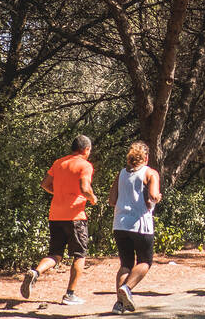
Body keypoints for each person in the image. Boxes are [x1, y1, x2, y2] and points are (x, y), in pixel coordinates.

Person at [20, 135, 97, 305]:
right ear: (86, 149)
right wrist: (92, 198)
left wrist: (60, 194)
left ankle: (36, 272)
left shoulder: (59, 163)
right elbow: (85, 188)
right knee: (79, 255)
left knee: (55, 254)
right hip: (75, 217)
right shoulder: (85, 165)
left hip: (55, 215)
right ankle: (70, 294)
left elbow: (45, 184)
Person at [108, 141, 162, 314]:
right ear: (146, 157)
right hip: (140, 223)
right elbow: (153, 196)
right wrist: (157, 197)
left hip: (120, 224)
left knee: (126, 263)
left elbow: (111, 200)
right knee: (145, 261)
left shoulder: (121, 174)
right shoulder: (151, 173)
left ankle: (119, 304)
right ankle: (127, 289)